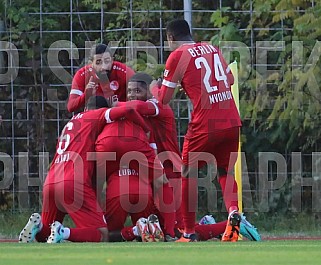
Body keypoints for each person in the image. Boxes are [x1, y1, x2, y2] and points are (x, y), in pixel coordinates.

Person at [153, 19, 242, 242]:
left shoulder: (177, 56)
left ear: (171, 38)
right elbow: (228, 80)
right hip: (231, 119)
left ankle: (189, 232)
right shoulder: (212, 48)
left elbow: (164, 99)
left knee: (188, 174)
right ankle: (233, 211)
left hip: (205, 124)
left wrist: (154, 86)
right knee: (225, 172)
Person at [18, 96, 149, 243]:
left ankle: (38, 225)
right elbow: (128, 110)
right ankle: (63, 232)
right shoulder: (96, 115)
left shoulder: (70, 124)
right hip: (72, 181)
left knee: (46, 236)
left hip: (51, 181)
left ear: (85, 107)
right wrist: (145, 129)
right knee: (101, 234)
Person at [123, 72, 184, 240]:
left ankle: (222, 226)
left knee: (183, 232)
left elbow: (136, 107)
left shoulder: (157, 104)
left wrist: (110, 106)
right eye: (129, 91)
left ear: (150, 92)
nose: (131, 96)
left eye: (137, 91)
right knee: (153, 227)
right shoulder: (136, 111)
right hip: (153, 174)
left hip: (171, 170)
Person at [67, 44, 135, 112]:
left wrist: (118, 105)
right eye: (98, 62)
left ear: (112, 60)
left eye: (107, 61)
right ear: (91, 63)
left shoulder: (125, 72)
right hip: (94, 118)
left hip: (119, 115)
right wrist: (86, 95)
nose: (103, 67)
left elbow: (141, 101)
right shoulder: (82, 75)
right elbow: (71, 107)